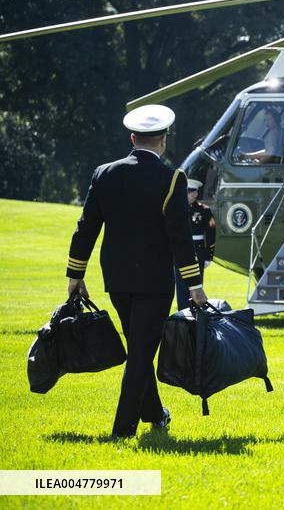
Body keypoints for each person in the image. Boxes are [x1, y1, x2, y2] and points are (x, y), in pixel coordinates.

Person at [65, 104, 209, 438]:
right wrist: (194, 284)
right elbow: (180, 238)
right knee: (141, 352)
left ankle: (156, 414)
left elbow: (86, 228)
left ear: (133, 138)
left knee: (140, 348)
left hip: (116, 278)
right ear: (163, 141)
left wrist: (76, 274)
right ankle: (122, 430)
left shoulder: (104, 173)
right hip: (154, 282)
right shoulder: (173, 178)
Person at [173, 179, 216, 311]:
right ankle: (182, 312)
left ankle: (196, 313)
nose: (187, 195)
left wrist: (209, 255)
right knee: (181, 285)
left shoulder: (204, 210)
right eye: (185, 192)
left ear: (196, 193)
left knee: (196, 285)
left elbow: (211, 233)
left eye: (190, 192)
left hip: (197, 252)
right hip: (179, 251)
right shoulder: (176, 209)